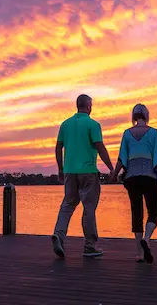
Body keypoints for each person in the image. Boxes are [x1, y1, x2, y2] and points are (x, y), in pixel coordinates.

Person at [52, 94, 114, 258]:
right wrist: (111, 168)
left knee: (68, 205)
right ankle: (90, 246)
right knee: (89, 208)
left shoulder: (65, 124)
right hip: (88, 172)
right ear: (88, 107)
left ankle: (58, 234)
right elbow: (99, 147)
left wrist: (61, 168)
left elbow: (58, 147)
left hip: (69, 171)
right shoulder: (93, 124)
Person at [109, 104, 157, 263]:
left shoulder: (127, 134)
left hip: (132, 178)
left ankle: (140, 254)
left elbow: (121, 159)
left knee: (137, 213)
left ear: (134, 116)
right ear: (146, 116)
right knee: (153, 212)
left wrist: (114, 175)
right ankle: (147, 239)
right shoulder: (154, 133)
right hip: (149, 177)